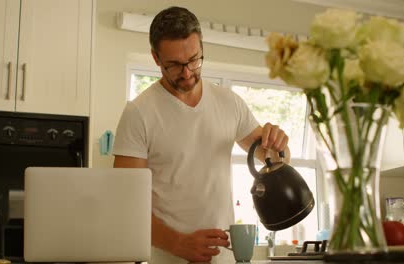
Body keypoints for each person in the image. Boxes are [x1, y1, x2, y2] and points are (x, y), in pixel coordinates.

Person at [112, 6, 290, 263]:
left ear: (202, 49)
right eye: (174, 65)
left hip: (226, 259)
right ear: (155, 58)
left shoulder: (230, 103)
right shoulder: (139, 113)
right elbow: (125, 202)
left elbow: (274, 158)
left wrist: (278, 144)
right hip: (168, 258)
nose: (186, 72)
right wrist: (177, 243)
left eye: (194, 60)